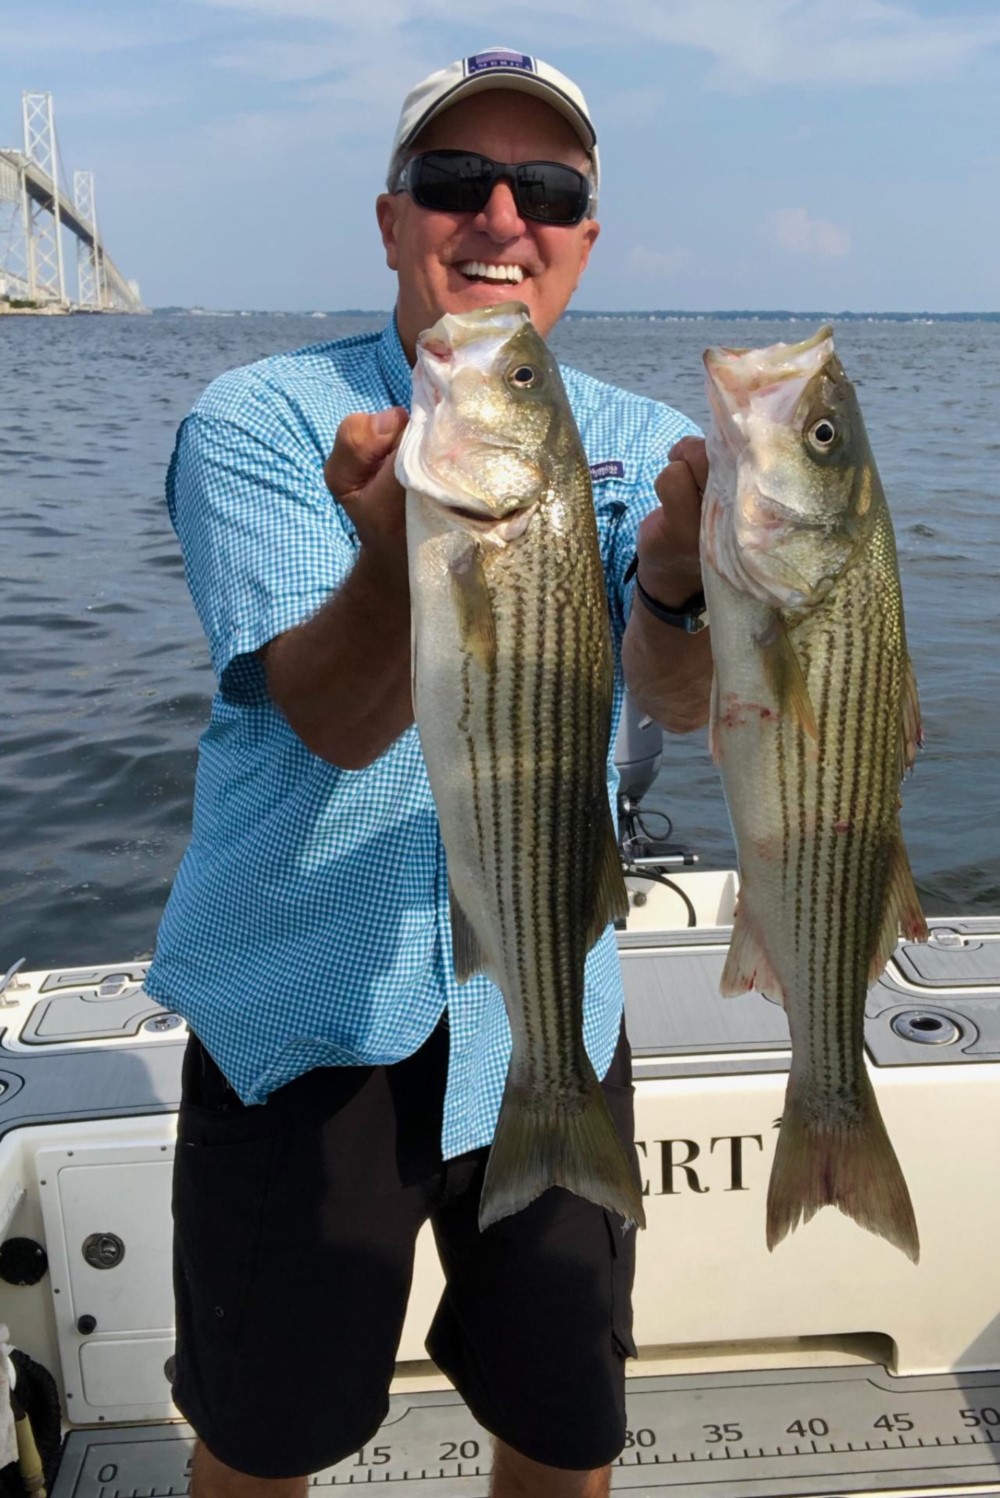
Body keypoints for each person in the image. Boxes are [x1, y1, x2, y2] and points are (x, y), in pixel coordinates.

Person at [146, 46, 712, 1498]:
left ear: (585, 237)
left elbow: (681, 699)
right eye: (456, 181)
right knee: (263, 1441)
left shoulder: (645, 445)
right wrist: (402, 552)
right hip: (306, 1019)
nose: (502, 218)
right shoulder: (263, 421)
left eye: (548, 193)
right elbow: (335, 721)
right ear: (393, 222)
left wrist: (675, 588)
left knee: (567, 1427)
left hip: (549, 1004)